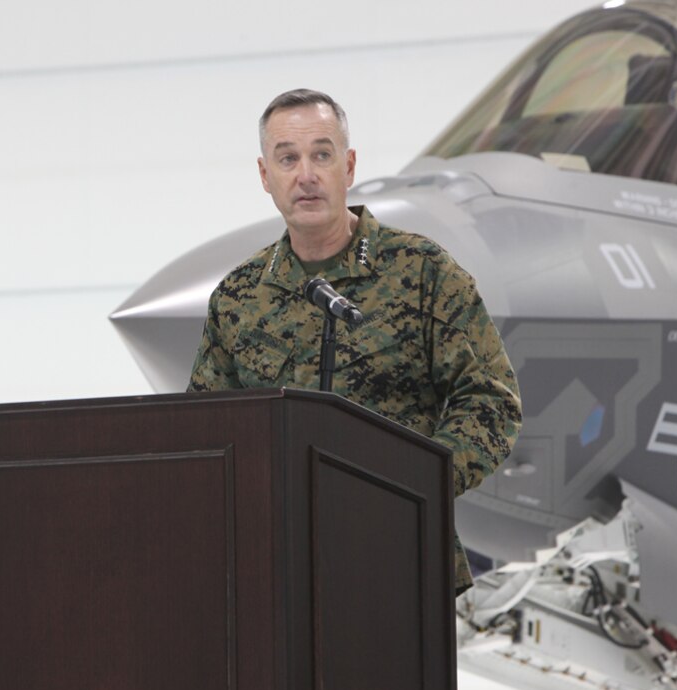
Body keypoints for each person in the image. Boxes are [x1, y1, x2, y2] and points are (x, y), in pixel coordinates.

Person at [187, 88, 522, 594]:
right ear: (265, 176)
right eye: (288, 158)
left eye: (322, 155)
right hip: (273, 570)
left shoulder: (422, 272)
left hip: (399, 558)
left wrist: (415, 485)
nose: (306, 175)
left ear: (348, 165)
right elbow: (205, 434)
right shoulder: (238, 296)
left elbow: (492, 401)